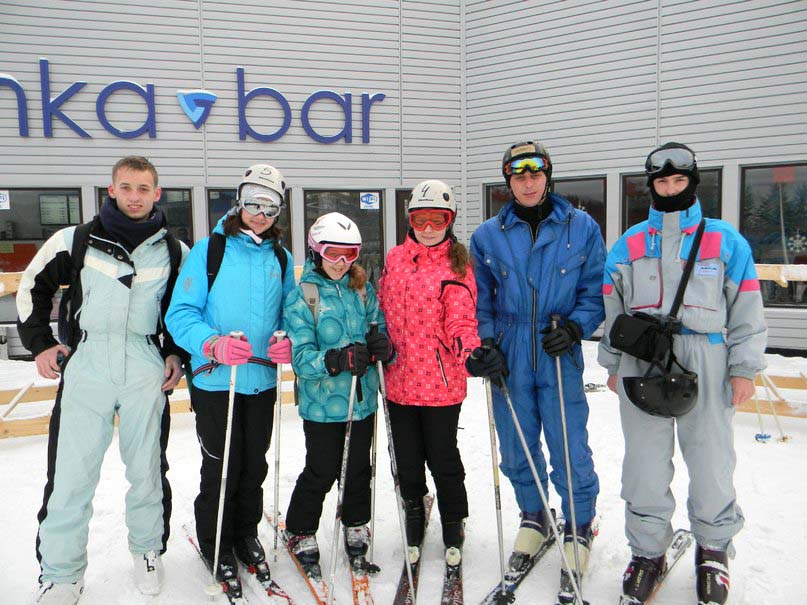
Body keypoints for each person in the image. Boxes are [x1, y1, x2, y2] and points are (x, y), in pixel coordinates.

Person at [598, 142, 767, 605]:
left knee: (711, 461)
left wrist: (743, 368)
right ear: (650, 185)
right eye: (662, 181)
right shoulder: (629, 243)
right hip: (643, 358)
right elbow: (612, 307)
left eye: (678, 181)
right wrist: (612, 363)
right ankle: (647, 552)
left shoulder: (726, 240)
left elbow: (747, 309)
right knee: (644, 464)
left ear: (692, 183)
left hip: (706, 357)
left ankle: (713, 550)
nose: (670, 189)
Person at [17, 156, 189, 603]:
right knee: (70, 473)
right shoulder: (74, 239)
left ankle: (147, 550)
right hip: (88, 361)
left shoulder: (175, 251)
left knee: (147, 469)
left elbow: (185, 311)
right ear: (111, 190)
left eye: (143, 188)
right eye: (126, 187)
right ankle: (61, 573)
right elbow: (33, 286)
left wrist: (176, 353)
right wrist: (40, 343)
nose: (134, 196)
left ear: (157, 193)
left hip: (144, 364)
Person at [469, 141, 606, 586]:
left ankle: (579, 523)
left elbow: (595, 290)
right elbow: (480, 299)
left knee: (568, 443)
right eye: (518, 176)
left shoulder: (581, 227)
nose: (528, 183)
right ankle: (534, 516)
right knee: (516, 445)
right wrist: (486, 343)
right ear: (508, 182)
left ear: (548, 177)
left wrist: (577, 327)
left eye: (535, 173)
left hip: (556, 348)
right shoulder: (487, 235)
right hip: (509, 351)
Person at [165, 164, 294, 590]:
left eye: (271, 207)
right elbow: (180, 314)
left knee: (254, 464)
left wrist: (288, 340)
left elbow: (290, 314)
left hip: (260, 380)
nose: (261, 214)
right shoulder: (210, 250)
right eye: (254, 203)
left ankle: (244, 532)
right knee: (222, 464)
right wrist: (212, 343)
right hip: (217, 380)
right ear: (239, 201)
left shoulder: (281, 257)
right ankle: (215, 540)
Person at [377, 180, 480, 563]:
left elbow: (461, 320)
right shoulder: (395, 258)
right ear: (411, 220)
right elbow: (381, 305)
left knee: (442, 457)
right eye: (421, 219)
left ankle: (454, 519)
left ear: (450, 220)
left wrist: (471, 353)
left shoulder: (458, 264)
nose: (429, 227)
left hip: (440, 383)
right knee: (407, 460)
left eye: (438, 219)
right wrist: (378, 337)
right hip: (398, 380)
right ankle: (415, 513)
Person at [281, 212, 389, 569]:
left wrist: (381, 342)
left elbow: (378, 324)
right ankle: (300, 528)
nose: (341, 262)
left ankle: (356, 522)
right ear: (316, 251)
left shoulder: (362, 290)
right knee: (322, 468)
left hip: (361, 400)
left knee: (358, 468)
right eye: (332, 253)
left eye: (350, 254)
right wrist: (336, 360)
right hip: (322, 405)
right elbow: (300, 358)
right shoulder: (304, 296)